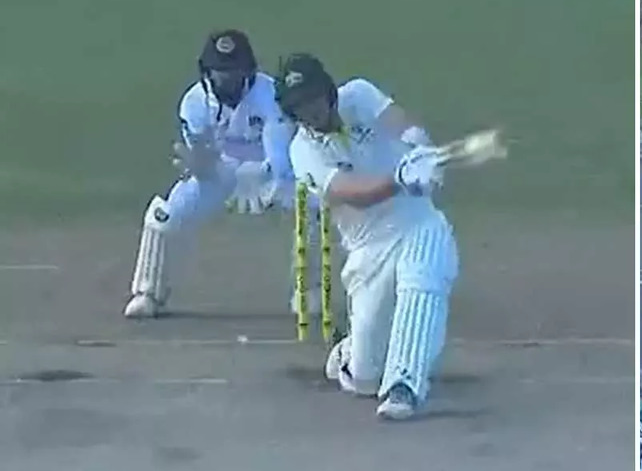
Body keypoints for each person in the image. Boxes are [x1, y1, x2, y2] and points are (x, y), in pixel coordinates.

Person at [275, 52, 477, 420]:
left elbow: (398, 121)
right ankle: (351, 356)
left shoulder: (358, 94)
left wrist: (421, 149)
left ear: (328, 91)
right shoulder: (301, 150)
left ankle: (405, 385)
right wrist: (399, 179)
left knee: (423, 281)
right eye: (299, 107)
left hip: (418, 223)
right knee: (365, 377)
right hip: (368, 248)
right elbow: (351, 192)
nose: (309, 112)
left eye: (313, 100)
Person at [124, 29, 321, 319]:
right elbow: (201, 161)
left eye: (233, 70)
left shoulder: (272, 94)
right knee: (164, 217)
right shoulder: (194, 103)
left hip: (269, 173)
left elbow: (279, 152)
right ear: (207, 70)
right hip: (220, 173)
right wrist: (205, 169)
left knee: (311, 207)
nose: (226, 78)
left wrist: (265, 173)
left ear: (247, 69)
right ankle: (148, 293)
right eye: (219, 71)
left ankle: (307, 291)